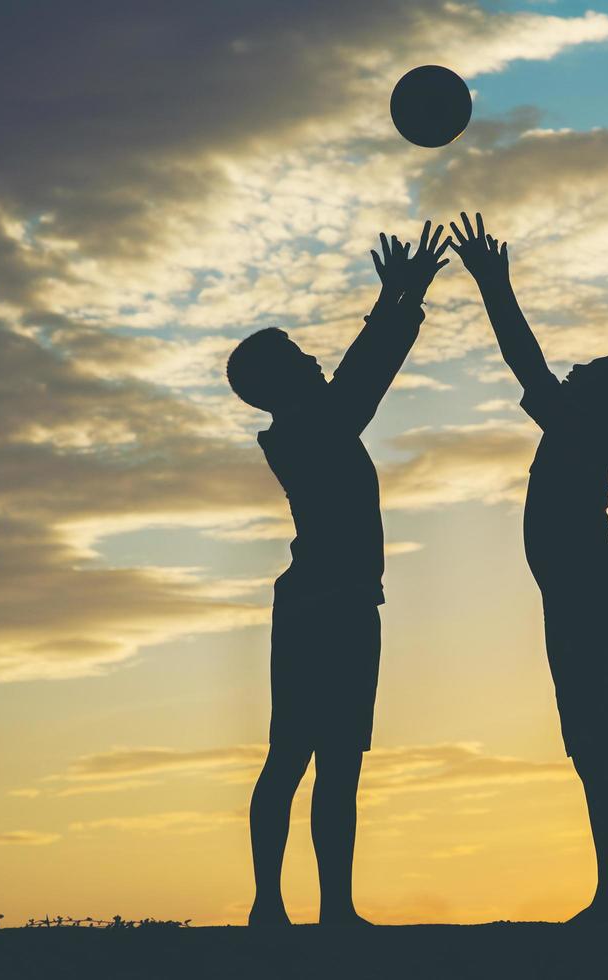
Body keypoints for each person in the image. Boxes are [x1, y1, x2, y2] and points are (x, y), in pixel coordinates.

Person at [450, 213, 608, 924]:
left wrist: (494, 284)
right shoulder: (581, 425)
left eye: (584, 370)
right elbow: (533, 366)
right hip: (576, 599)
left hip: (587, 600)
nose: (570, 370)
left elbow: (523, 358)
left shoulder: (579, 426)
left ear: (597, 396)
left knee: (607, 744)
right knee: (593, 750)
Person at [226, 222, 450, 927]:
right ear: (275, 381)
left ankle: (327, 909)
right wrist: (397, 301)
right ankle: (277, 904)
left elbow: (359, 380)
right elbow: (363, 380)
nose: (312, 356)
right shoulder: (306, 428)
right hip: (328, 607)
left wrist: (397, 303)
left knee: (329, 760)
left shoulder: (316, 421)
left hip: (339, 602)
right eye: (296, 354)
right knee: (299, 754)